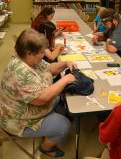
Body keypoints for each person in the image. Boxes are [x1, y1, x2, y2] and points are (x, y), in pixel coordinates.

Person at [0, 29, 77, 158]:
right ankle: (45, 148)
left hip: (29, 108)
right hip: (17, 120)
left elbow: (49, 68)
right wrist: (64, 80)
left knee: (59, 99)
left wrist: (64, 64)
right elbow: (41, 99)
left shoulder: (27, 59)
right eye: (41, 53)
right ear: (29, 53)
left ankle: (50, 126)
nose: (43, 55)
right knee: (63, 126)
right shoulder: (20, 72)